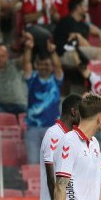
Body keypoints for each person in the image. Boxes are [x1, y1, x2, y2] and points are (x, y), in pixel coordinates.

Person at [22, 33, 63, 164]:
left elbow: (58, 67)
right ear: (37, 65)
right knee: (33, 164)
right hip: (33, 129)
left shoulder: (56, 81)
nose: (44, 66)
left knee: (52, 166)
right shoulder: (32, 79)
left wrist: (53, 52)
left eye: (47, 64)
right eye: (41, 64)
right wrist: (28, 49)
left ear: (51, 67)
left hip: (52, 130)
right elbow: (26, 63)